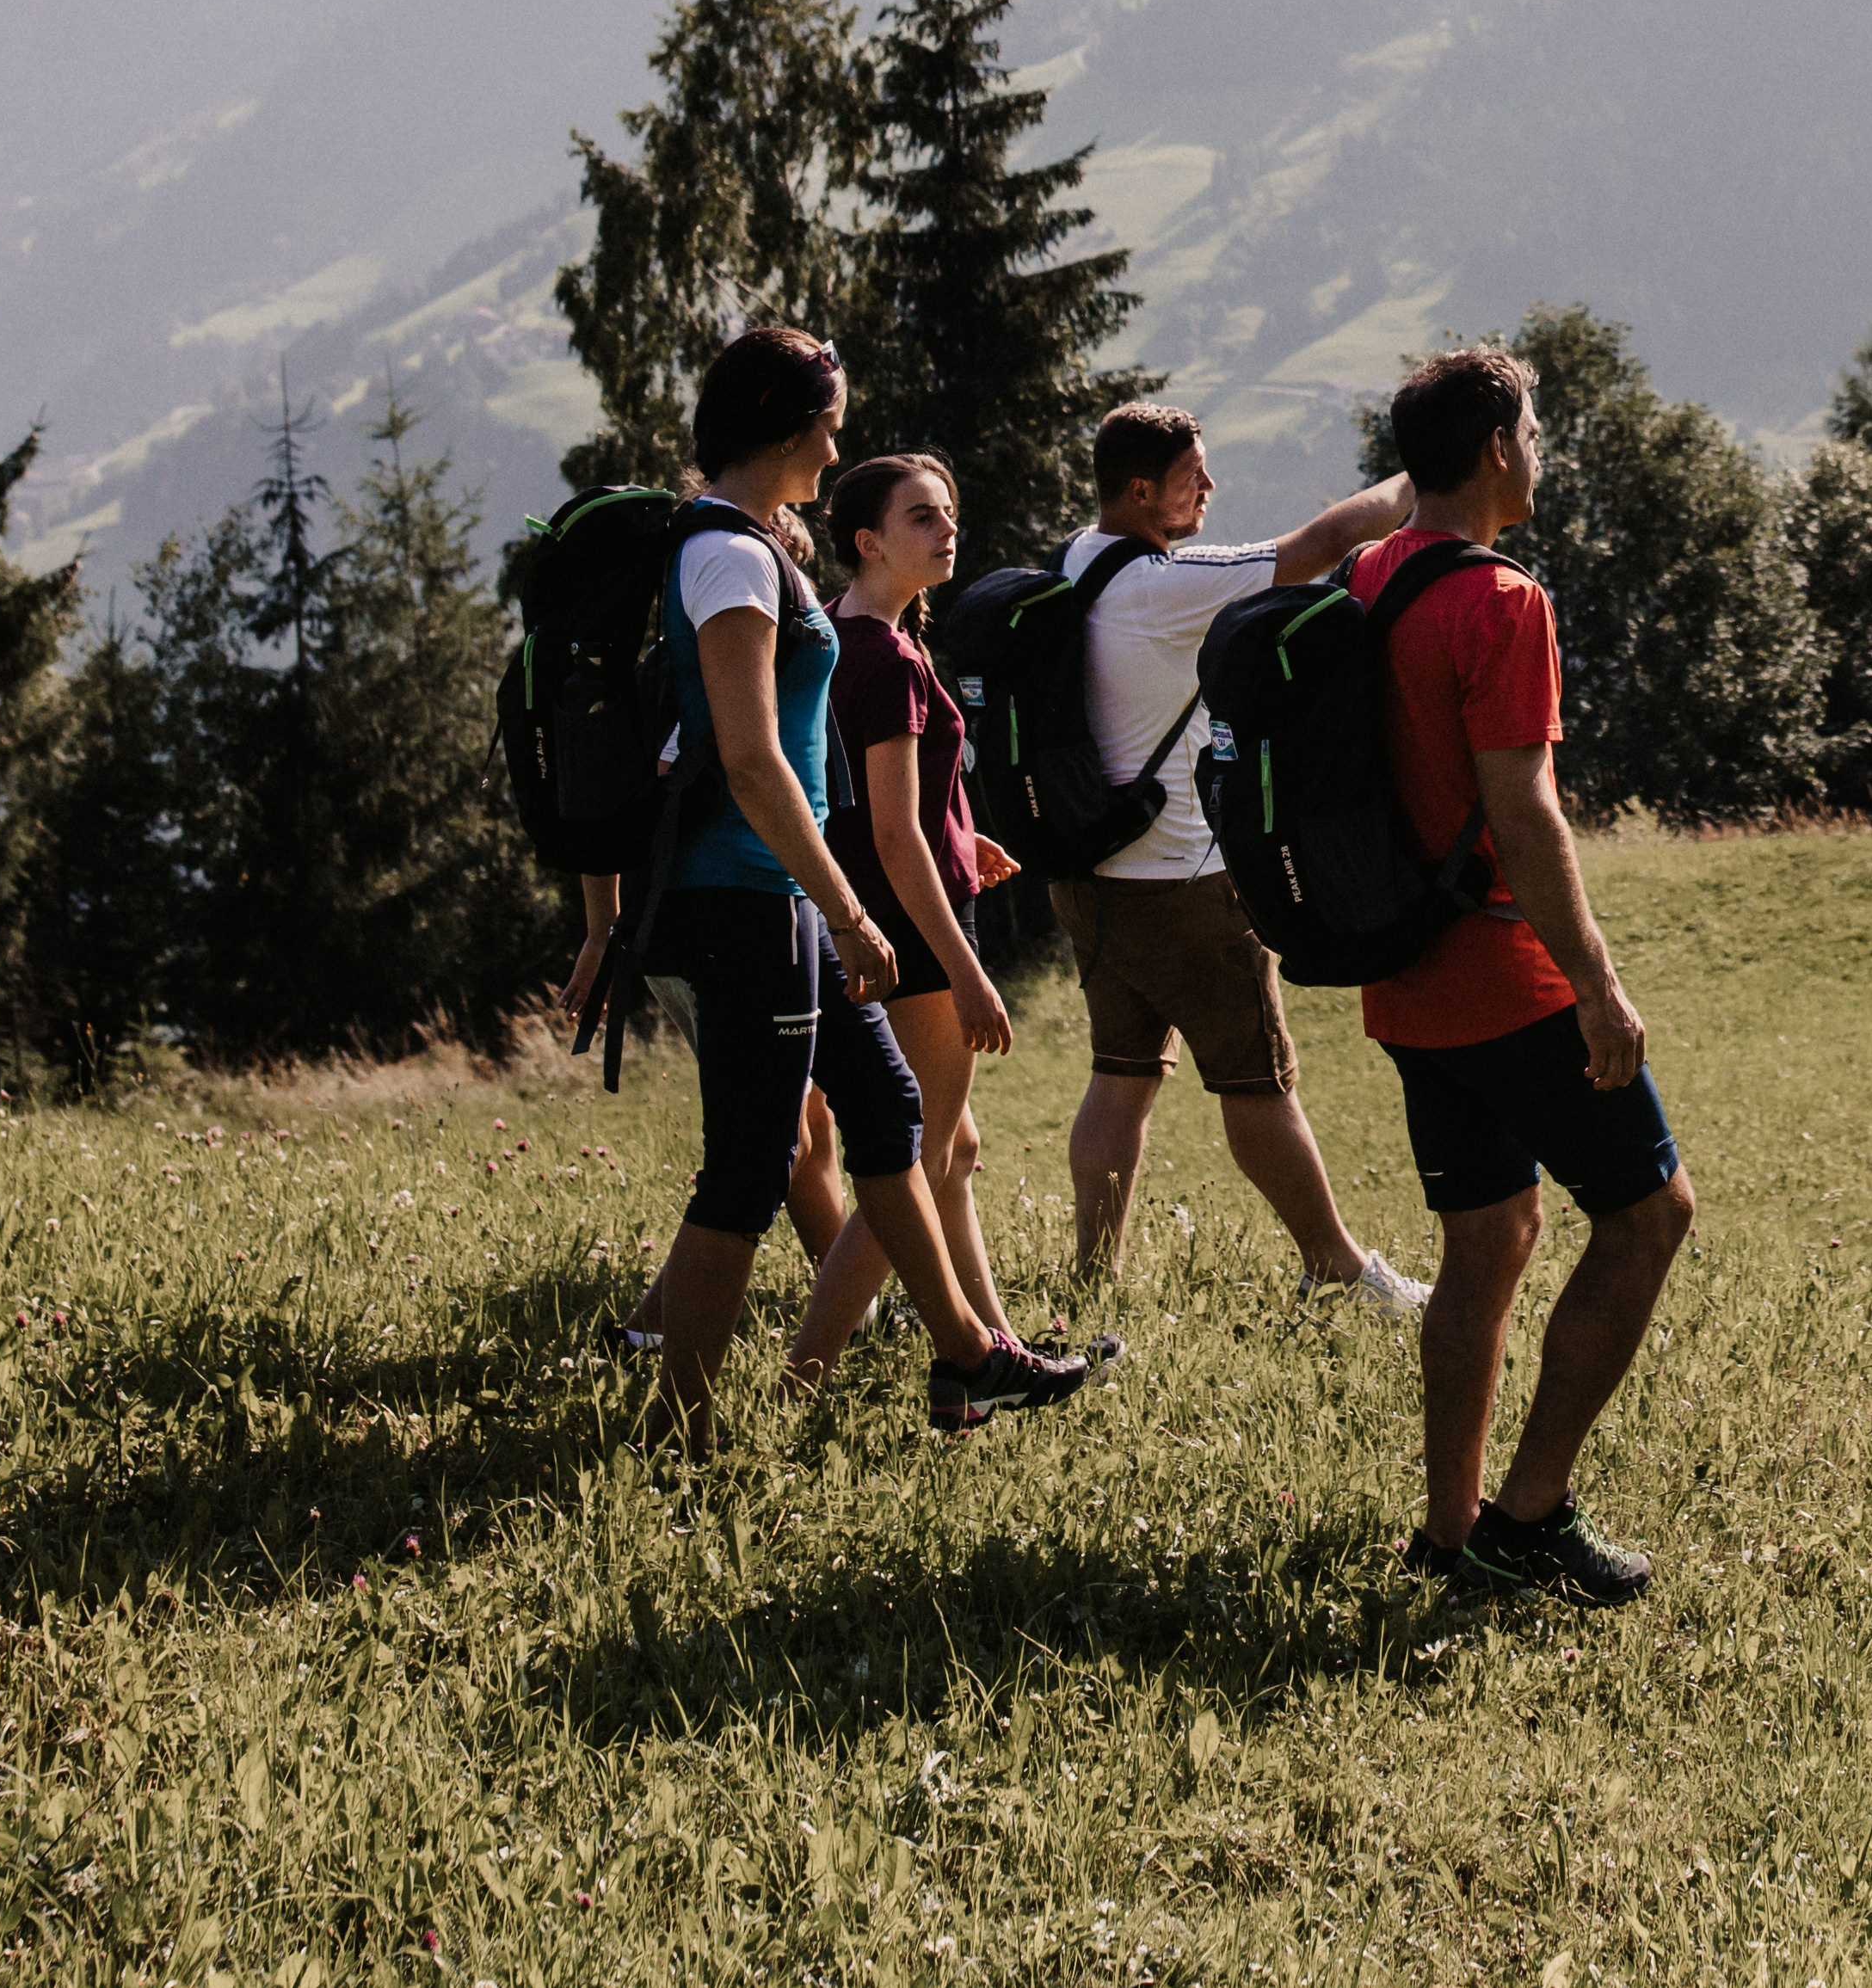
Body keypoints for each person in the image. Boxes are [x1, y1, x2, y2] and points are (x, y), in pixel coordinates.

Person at [590, 326, 1098, 1447]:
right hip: (749, 897)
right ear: (780, 420)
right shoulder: (725, 555)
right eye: (824, 420)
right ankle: (678, 1431)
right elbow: (751, 754)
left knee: (889, 1111)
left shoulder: (752, 543)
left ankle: (971, 1356)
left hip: (778, 896)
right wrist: (847, 906)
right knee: (750, 1168)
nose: (834, 441)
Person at [1347, 343, 1693, 1606]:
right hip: (1502, 971)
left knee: (1485, 1236)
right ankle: (1527, 1516)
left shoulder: (1371, 577)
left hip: (1404, 979)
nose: (1538, 450)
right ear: (1495, 447)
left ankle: (1448, 1529)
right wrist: (1597, 983)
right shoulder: (1501, 600)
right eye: (1532, 428)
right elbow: (1525, 810)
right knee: (1652, 1213)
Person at [1046, 402, 1430, 1315]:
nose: (1209, 490)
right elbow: (1320, 543)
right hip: (1177, 883)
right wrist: (1418, 478)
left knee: (1121, 1070)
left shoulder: (1074, 560)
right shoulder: (1161, 585)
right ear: (1142, 491)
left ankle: (1092, 1277)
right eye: (1193, 477)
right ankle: (1338, 1269)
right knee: (1257, 1078)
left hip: (1087, 878)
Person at [773, 450, 1024, 1377]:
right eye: (922, 516)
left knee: (947, 1148)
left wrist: (963, 839)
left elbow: (881, 807)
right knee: (907, 1160)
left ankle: (996, 1343)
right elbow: (890, 834)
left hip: (862, 921)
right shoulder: (886, 658)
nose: (946, 527)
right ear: (866, 541)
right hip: (913, 937)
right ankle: (809, 1369)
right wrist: (967, 969)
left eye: (948, 510)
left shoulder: (837, 636)